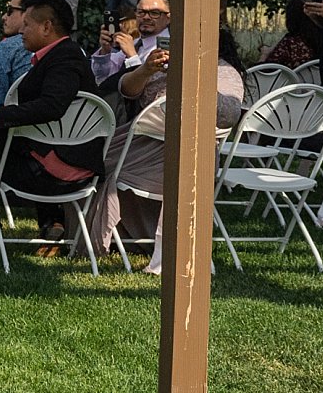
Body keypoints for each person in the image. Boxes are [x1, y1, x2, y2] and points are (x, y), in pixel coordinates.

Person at [90, 27, 247, 263]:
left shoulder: (223, 72)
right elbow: (127, 91)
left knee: (102, 168)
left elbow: (228, 114)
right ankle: (122, 235)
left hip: (189, 155)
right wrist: (145, 70)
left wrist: (191, 76)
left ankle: (131, 236)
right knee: (89, 163)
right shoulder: (161, 63)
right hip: (139, 142)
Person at [0, 0, 100, 242]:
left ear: (47, 27)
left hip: (58, 171)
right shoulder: (61, 56)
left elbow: (52, 106)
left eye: (27, 25)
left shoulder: (65, 58)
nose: (21, 32)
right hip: (56, 161)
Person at [92, 0, 170, 84]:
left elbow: (150, 87)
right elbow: (101, 78)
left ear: (168, 18)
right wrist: (105, 51)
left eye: (154, 13)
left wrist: (132, 56)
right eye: (141, 12)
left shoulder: (170, 46)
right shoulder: (133, 43)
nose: (146, 17)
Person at [0, 0, 34, 106]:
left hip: (16, 120)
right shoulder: (74, 51)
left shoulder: (5, 48)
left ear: (27, 13)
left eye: (10, 11)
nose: (3, 17)